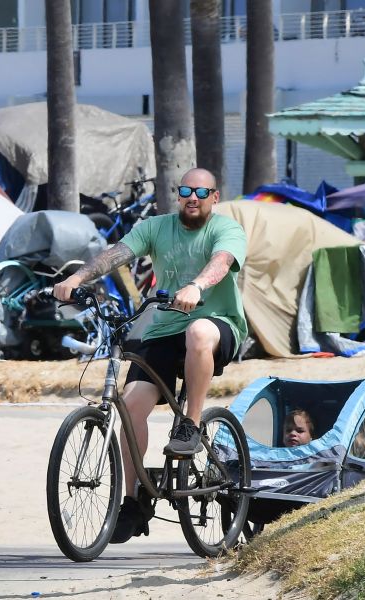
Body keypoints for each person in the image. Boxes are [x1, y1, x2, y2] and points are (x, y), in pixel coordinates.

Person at [53, 167, 247, 543]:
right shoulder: (156, 227)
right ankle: (135, 498)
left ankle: (190, 424)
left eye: (202, 192)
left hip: (216, 325)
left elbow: (221, 262)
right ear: (178, 194)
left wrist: (195, 285)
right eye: (186, 190)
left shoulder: (226, 229)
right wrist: (78, 278)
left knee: (198, 331)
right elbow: (118, 253)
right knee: (130, 406)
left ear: (215, 197)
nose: (193, 197)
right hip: (163, 329)